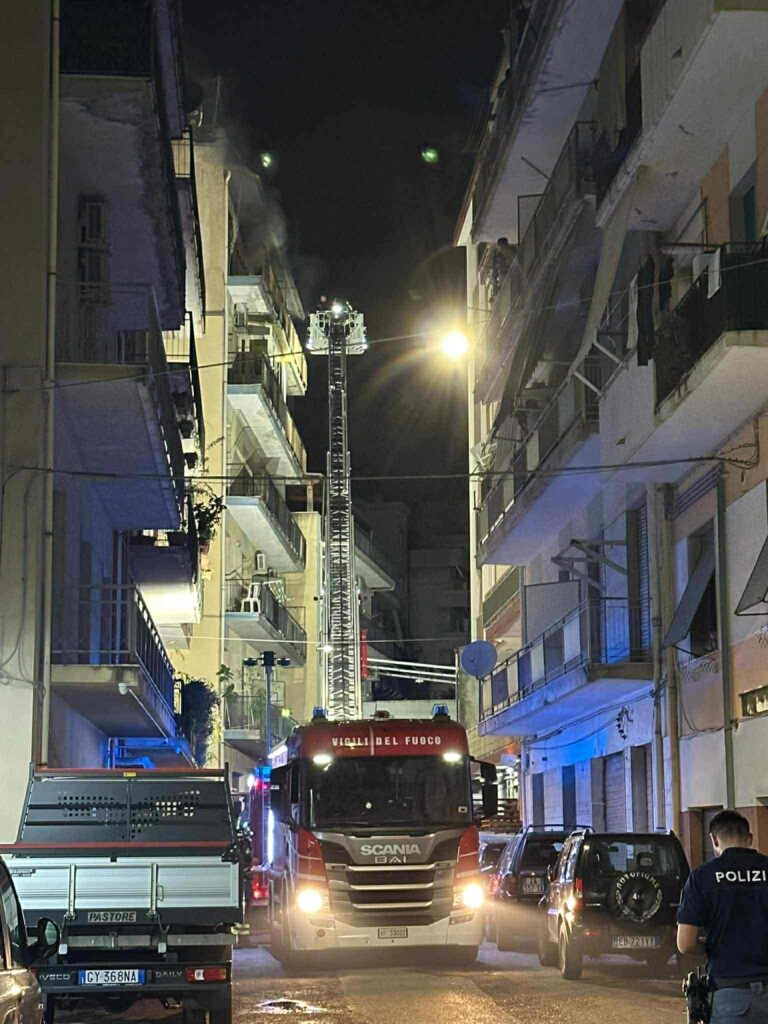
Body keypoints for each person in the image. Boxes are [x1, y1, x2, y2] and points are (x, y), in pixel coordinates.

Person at [677, 810, 768, 1022]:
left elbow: (685, 943)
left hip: (729, 993)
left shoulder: (702, 877)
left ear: (714, 839)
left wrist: (710, 947)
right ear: (750, 838)